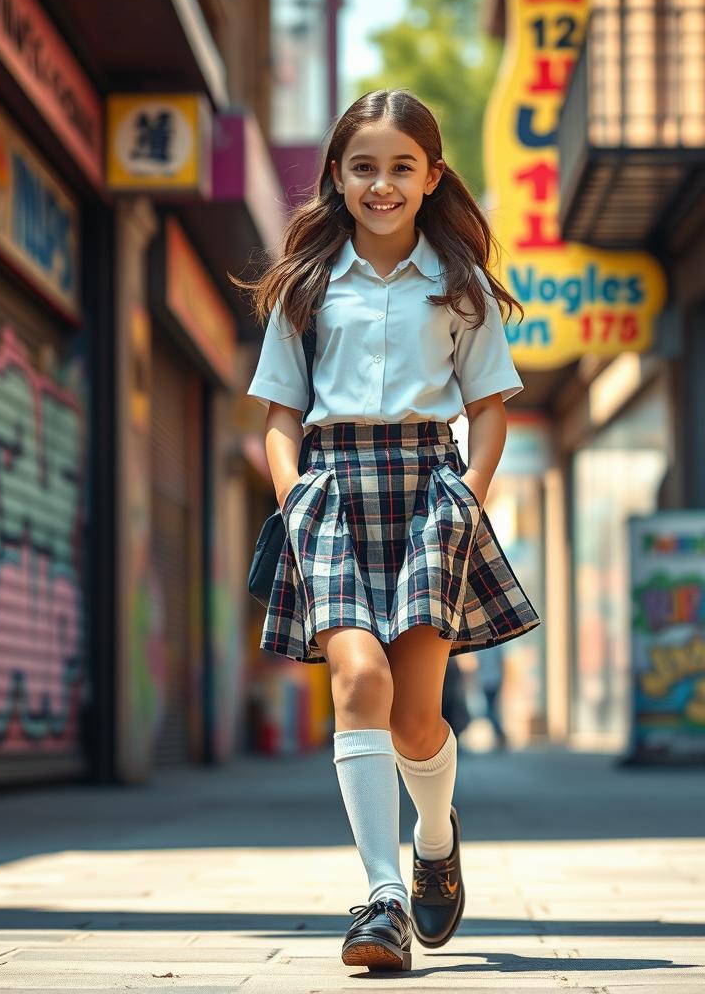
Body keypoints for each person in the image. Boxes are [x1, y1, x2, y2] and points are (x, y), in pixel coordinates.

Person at [240, 88, 541, 972]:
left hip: (428, 491)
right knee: (359, 680)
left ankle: (436, 841)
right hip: (328, 489)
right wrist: (294, 499)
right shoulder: (304, 285)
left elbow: (489, 410)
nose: (381, 184)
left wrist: (469, 496)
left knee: (416, 720)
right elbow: (278, 416)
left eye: (400, 168)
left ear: (431, 176)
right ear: (336, 177)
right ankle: (380, 900)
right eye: (363, 167)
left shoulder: (461, 286)